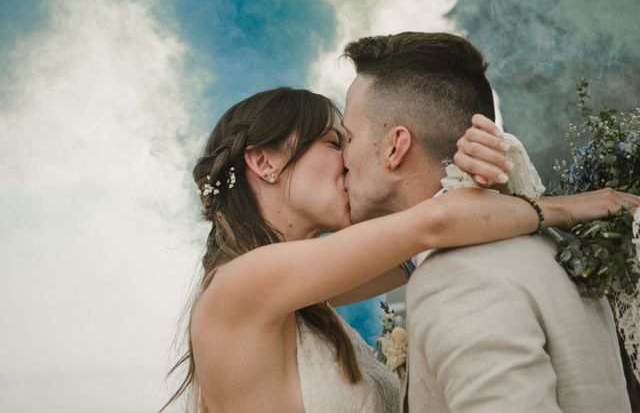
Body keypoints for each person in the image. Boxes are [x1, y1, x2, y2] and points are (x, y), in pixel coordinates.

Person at [160, 86, 637, 413]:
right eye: (331, 142)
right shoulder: (241, 285)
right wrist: (575, 207)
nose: (348, 160)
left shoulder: (301, 302)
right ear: (264, 161)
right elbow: (435, 223)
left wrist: (467, 167)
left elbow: (429, 234)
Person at [341, 31, 636, 412]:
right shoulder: (548, 244)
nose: (342, 158)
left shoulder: (458, 281)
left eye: (347, 137)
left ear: (395, 147)